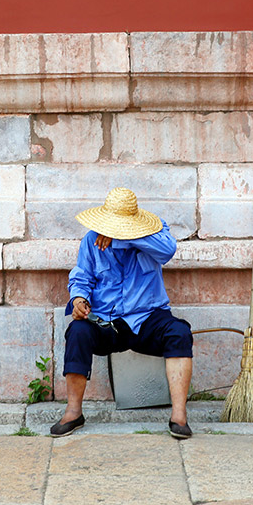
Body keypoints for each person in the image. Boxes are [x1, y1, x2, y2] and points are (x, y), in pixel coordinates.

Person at [50, 187, 194, 439]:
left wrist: (123, 237)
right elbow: (81, 277)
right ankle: (74, 411)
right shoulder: (91, 240)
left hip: (147, 318)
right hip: (106, 321)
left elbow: (167, 251)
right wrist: (79, 299)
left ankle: (179, 416)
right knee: (77, 332)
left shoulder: (154, 234)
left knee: (179, 332)